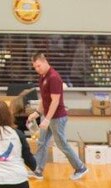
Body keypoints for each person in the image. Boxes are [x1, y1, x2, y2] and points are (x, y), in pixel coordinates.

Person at [27, 51, 89, 181]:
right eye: (35, 67)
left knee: (61, 144)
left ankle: (80, 168)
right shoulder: (43, 77)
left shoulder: (54, 77)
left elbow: (55, 101)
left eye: (38, 66)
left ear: (45, 62)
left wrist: (47, 119)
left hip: (57, 118)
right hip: (48, 116)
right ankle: (38, 170)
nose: (37, 69)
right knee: (42, 142)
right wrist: (37, 113)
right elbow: (44, 100)